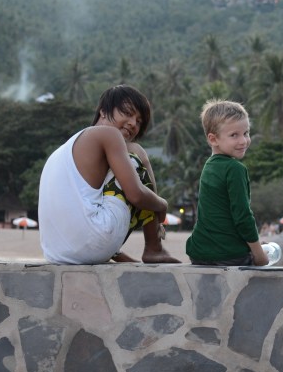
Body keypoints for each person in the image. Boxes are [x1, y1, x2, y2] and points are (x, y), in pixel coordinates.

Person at [39, 85, 180, 264]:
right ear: (104, 111)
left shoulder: (66, 149)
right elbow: (135, 195)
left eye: (138, 121)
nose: (133, 123)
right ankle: (154, 247)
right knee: (137, 153)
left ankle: (115, 252)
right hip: (93, 243)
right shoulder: (109, 135)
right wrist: (161, 204)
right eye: (127, 113)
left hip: (56, 254)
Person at [186, 100, 269, 266]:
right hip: (227, 254)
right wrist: (259, 253)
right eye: (234, 135)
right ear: (213, 139)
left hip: (199, 251)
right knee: (270, 253)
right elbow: (243, 216)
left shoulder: (209, 166)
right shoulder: (235, 168)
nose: (243, 141)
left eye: (246, 133)